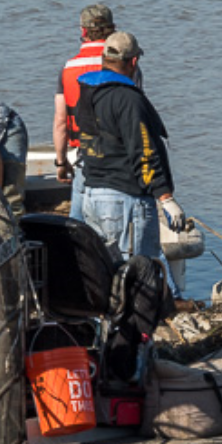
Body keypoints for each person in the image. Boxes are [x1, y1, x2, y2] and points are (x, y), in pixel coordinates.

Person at [74, 31, 189, 307]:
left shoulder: (87, 93)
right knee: (140, 279)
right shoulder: (128, 99)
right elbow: (144, 151)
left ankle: (111, 339)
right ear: (133, 61)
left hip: (92, 196)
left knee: (108, 278)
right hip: (124, 202)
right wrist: (166, 198)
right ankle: (140, 342)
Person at [54, 3, 143, 221]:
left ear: (83, 31)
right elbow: (137, 113)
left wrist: (61, 161)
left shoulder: (68, 67)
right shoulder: (125, 63)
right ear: (113, 28)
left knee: (77, 224)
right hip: (119, 161)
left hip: (85, 155)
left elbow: (60, 122)